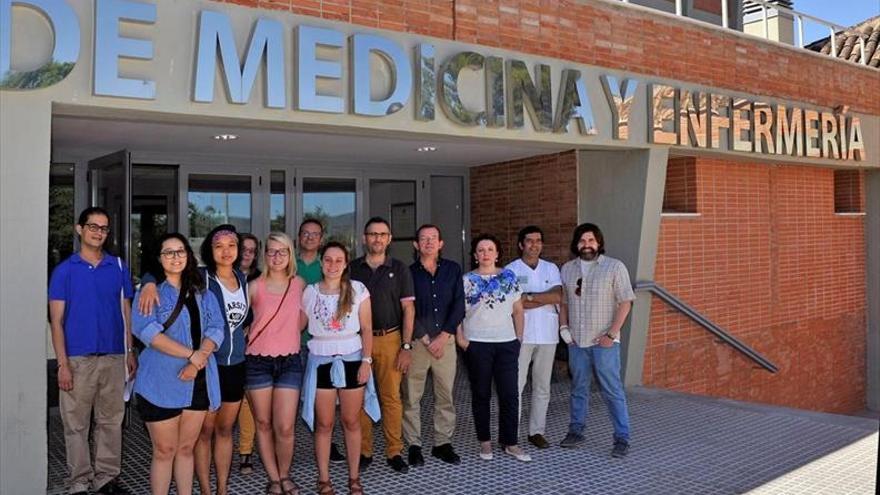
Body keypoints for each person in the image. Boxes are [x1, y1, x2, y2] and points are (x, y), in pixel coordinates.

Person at [139, 224, 250, 495]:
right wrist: (193, 355)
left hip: (200, 379)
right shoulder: (151, 292)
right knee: (165, 450)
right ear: (159, 258)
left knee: (186, 449)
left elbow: (216, 327)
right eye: (168, 253)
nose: (175, 257)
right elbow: (148, 332)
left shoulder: (202, 290)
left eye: (180, 252)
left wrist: (198, 360)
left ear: (188, 255)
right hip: (161, 382)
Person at [48, 206, 136, 495]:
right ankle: (79, 483)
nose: (99, 232)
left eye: (104, 228)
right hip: (77, 360)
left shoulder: (118, 267)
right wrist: (62, 364)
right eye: (93, 226)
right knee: (76, 425)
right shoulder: (64, 271)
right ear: (80, 229)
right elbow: (56, 321)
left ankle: (106, 479)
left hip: (113, 357)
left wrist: (130, 350)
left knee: (111, 421)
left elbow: (126, 311)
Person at [300, 242, 380, 495]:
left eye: (338, 260)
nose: (333, 265)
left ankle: (354, 478)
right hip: (320, 360)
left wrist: (366, 361)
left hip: (352, 360)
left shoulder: (358, 290)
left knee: (351, 421)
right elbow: (297, 324)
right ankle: (324, 479)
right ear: (321, 262)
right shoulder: (310, 292)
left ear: (346, 264)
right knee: (324, 424)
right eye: (328, 260)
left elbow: (367, 328)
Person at [558, 223, 635, 458]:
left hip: (605, 343)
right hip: (577, 343)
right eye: (582, 241)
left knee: (612, 390)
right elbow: (564, 302)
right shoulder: (568, 269)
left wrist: (611, 334)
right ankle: (576, 430)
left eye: (591, 240)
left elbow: (626, 301)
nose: (586, 245)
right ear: (576, 244)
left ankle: (622, 437)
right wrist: (563, 328)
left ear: (598, 243)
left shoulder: (614, 267)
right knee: (578, 388)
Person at [349, 217, 415, 473]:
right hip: (358, 341)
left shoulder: (399, 269)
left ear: (389, 239)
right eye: (372, 234)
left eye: (382, 234)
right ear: (364, 238)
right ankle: (364, 451)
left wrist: (406, 347)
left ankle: (394, 451)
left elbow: (409, 309)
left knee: (391, 398)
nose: (377, 238)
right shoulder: (352, 268)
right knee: (361, 397)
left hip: (391, 339)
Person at [456, 234, 530, 462]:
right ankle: (485, 442)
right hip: (477, 344)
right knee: (481, 394)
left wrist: (518, 338)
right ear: (475, 255)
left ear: (497, 254)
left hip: (506, 343)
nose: (486, 253)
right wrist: (462, 339)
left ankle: (510, 442)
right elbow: (457, 312)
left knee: (510, 394)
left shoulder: (509, 277)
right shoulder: (466, 280)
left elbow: (518, 310)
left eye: (490, 249)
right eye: (481, 250)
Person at [245, 233, 306, 495]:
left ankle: (284, 474)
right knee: (263, 423)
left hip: (290, 360)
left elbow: (303, 317)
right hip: (257, 361)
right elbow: (241, 321)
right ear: (264, 255)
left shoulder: (299, 284)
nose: (277, 257)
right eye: (271, 251)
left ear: (290, 254)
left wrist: (288, 331)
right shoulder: (254, 286)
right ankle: (273, 478)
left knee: (285, 426)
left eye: (283, 251)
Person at [403, 224, 465, 467]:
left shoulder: (452, 270)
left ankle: (442, 443)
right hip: (419, 343)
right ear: (416, 245)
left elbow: (459, 304)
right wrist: (426, 338)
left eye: (433, 238)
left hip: (446, 343)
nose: (428, 242)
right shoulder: (407, 273)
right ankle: (414, 445)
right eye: (423, 239)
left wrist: (445, 335)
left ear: (440, 243)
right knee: (411, 396)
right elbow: (407, 310)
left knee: (445, 395)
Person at [505, 226, 562, 450]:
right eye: (529, 241)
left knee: (542, 386)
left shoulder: (551, 268)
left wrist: (527, 297)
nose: (534, 245)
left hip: (548, 335)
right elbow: (513, 302)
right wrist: (543, 298)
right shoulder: (510, 270)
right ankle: (512, 433)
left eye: (538, 241)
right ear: (521, 244)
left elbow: (558, 296)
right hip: (520, 336)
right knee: (515, 386)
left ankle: (536, 432)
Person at [295, 220, 346, 464]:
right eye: (306, 233)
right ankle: (287, 442)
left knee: (325, 397)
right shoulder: (289, 263)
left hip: (322, 344)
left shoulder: (327, 264)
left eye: (315, 234)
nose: (310, 237)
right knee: (292, 396)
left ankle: (329, 442)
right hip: (293, 341)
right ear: (298, 237)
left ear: (321, 238)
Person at [236, 233, 261, 475]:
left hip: (252, 347)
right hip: (221, 348)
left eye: (252, 250)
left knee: (247, 402)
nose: (247, 253)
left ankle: (246, 452)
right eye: (243, 248)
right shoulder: (218, 276)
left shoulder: (260, 279)